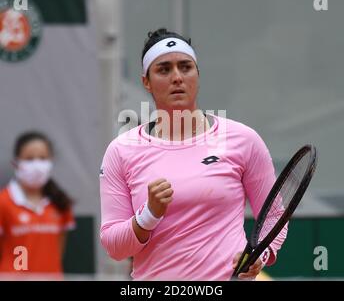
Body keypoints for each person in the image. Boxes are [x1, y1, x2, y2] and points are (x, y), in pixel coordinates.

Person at [99, 28, 287, 280]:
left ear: (197, 74)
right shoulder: (120, 151)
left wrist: (257, 256)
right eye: (164, 69)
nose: (177, 77)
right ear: (146, 81)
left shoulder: (244, 140)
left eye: (185, 67)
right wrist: (148, 215)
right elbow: (114, 247)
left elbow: (274, 214)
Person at [0, 131, 75, 277]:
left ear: (51, 161)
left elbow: (59, 249)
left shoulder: (60, 202)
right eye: (29, 158)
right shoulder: (3, 202)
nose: (36, 164)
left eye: (42, 158)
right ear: (16, 163)